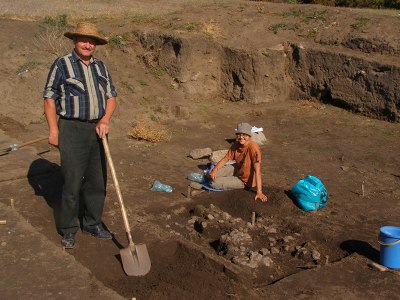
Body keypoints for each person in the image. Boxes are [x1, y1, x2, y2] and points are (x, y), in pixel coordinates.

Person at [43, 22, 117, 249]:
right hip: (72, 130)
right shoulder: (62, 65)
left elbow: (111, 98)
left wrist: (105, 119)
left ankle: (92, 224)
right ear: (75, 41)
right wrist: (54, 130)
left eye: (92, 41)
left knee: (97, 181)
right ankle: (68, 230)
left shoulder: (101, 67)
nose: (88, 44)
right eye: (83, 40)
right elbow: (49, 98)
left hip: (97, 130)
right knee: (72, 183)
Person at [209, 122, 268, 202]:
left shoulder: (253, 148)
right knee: (210, 173)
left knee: (213, 183)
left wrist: (259, 192)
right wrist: (215, 169)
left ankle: (230, 180)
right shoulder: (236, 145)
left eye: (244, 135)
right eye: (239, 135)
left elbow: (257, 171)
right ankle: (215, 174)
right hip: (237, 168)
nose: (241, 137)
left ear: (249, 136)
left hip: (244, 181)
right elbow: (226, 158)